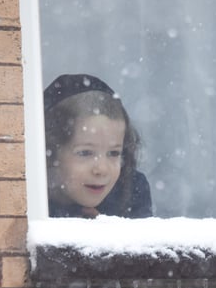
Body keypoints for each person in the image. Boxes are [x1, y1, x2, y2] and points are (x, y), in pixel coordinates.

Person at [43, 73, 153, 218]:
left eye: (114, 153)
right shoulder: (29, 199)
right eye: (85, 153)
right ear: (51, 154)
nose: (101, 169)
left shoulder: (131, 190)